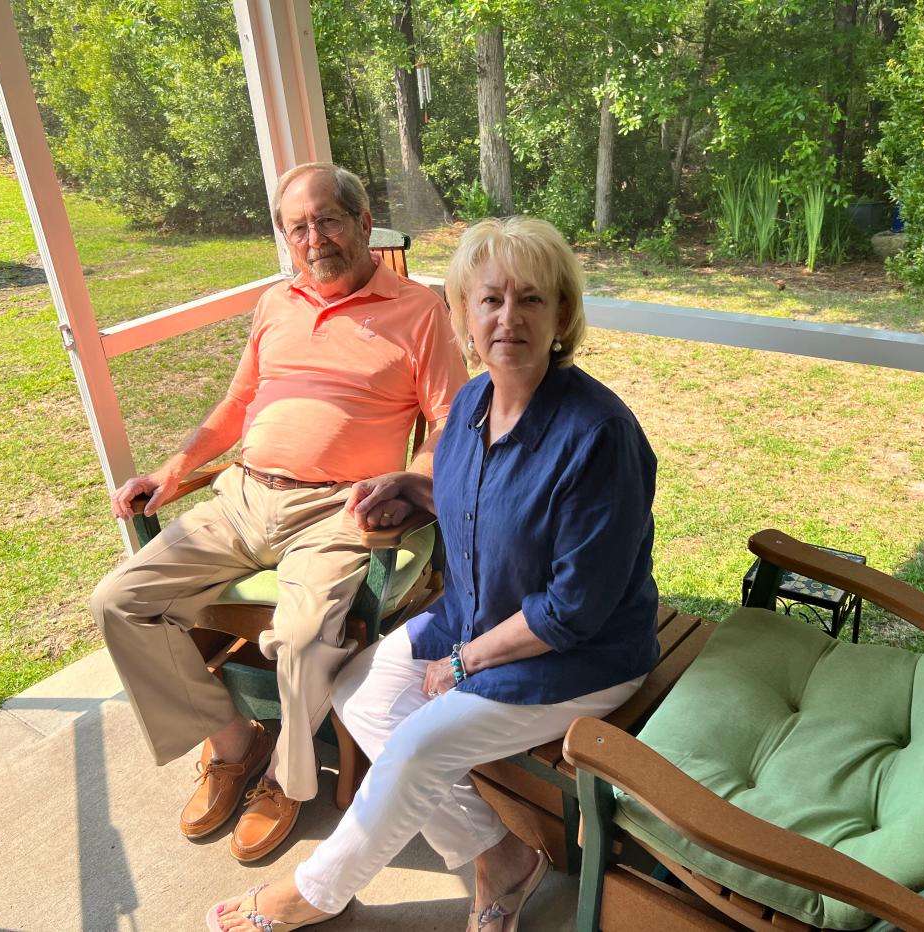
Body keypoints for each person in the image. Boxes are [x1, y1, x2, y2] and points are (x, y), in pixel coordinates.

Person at [205, 216, 661, 931]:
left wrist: (463, 659)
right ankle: (500, 857)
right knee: (357, 690)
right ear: (466, 317)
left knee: (416, 746)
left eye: (532, 300)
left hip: (581, 658)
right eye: (491, 300)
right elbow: (479, 497)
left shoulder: (598, 436)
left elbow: (573, 610)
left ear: (562, 315)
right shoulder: (476, 402)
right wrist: (412, 489)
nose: (509, 317)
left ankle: (308, 895)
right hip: (477, 616)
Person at [90, 162, 468, 863]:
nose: (315, 237)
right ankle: (234, 740)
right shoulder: (276, 305)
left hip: (338, 510)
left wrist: (410, 485)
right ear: (286, 239)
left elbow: (452, 422)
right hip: (241, 496)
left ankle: (285, 781)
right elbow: (237, 404)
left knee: (300, 637)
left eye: (328, 219)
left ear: (362, 224)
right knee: (119, 601)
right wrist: (174, 471)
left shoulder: (419, 312)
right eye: (299, 227)